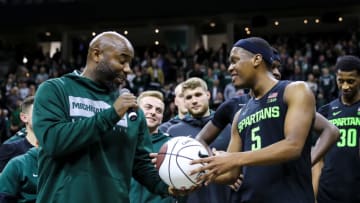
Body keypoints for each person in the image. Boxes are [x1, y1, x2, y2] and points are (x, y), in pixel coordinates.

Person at [32, 31, 186, 203]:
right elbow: (54, 142)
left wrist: (166, 186)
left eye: (129, 63)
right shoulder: (55, 89)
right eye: (122, 61)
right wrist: (111, 115)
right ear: (97, 54)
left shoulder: (132, 111)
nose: (128, 69)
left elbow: (141, 163)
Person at [190, 37, 316, 202]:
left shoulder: (295, 90)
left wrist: (234, 158)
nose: (229, 68)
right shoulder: (240, 114)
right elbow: (231, 174)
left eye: (235, 61)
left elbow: (293, 146)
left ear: (257, 59)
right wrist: (196, 174)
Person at [167, 77, 232, 203]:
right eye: (189, 97)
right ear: (184, 102)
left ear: (208, 95)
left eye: (198, 94)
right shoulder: (173, 132)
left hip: (225, 197)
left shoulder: (228, 127)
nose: (194, 100)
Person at [313, 55, 360, 203]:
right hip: (328, 192)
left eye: (351, 81)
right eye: (341, 81)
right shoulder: (325, 111)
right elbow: (318, 160)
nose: (345, 86)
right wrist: (313, 195)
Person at [129, 90, 181, 203]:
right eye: (148, 107)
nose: (153, 112)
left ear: (162, 117)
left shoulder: (172, 145)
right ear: (136, 110)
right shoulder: (122, 139)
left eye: (158, 110)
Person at [0, 96, 36, 172]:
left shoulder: (56, 143)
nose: (44, 117)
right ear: (24, 117)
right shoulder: (10, 147)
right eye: (38, 113)